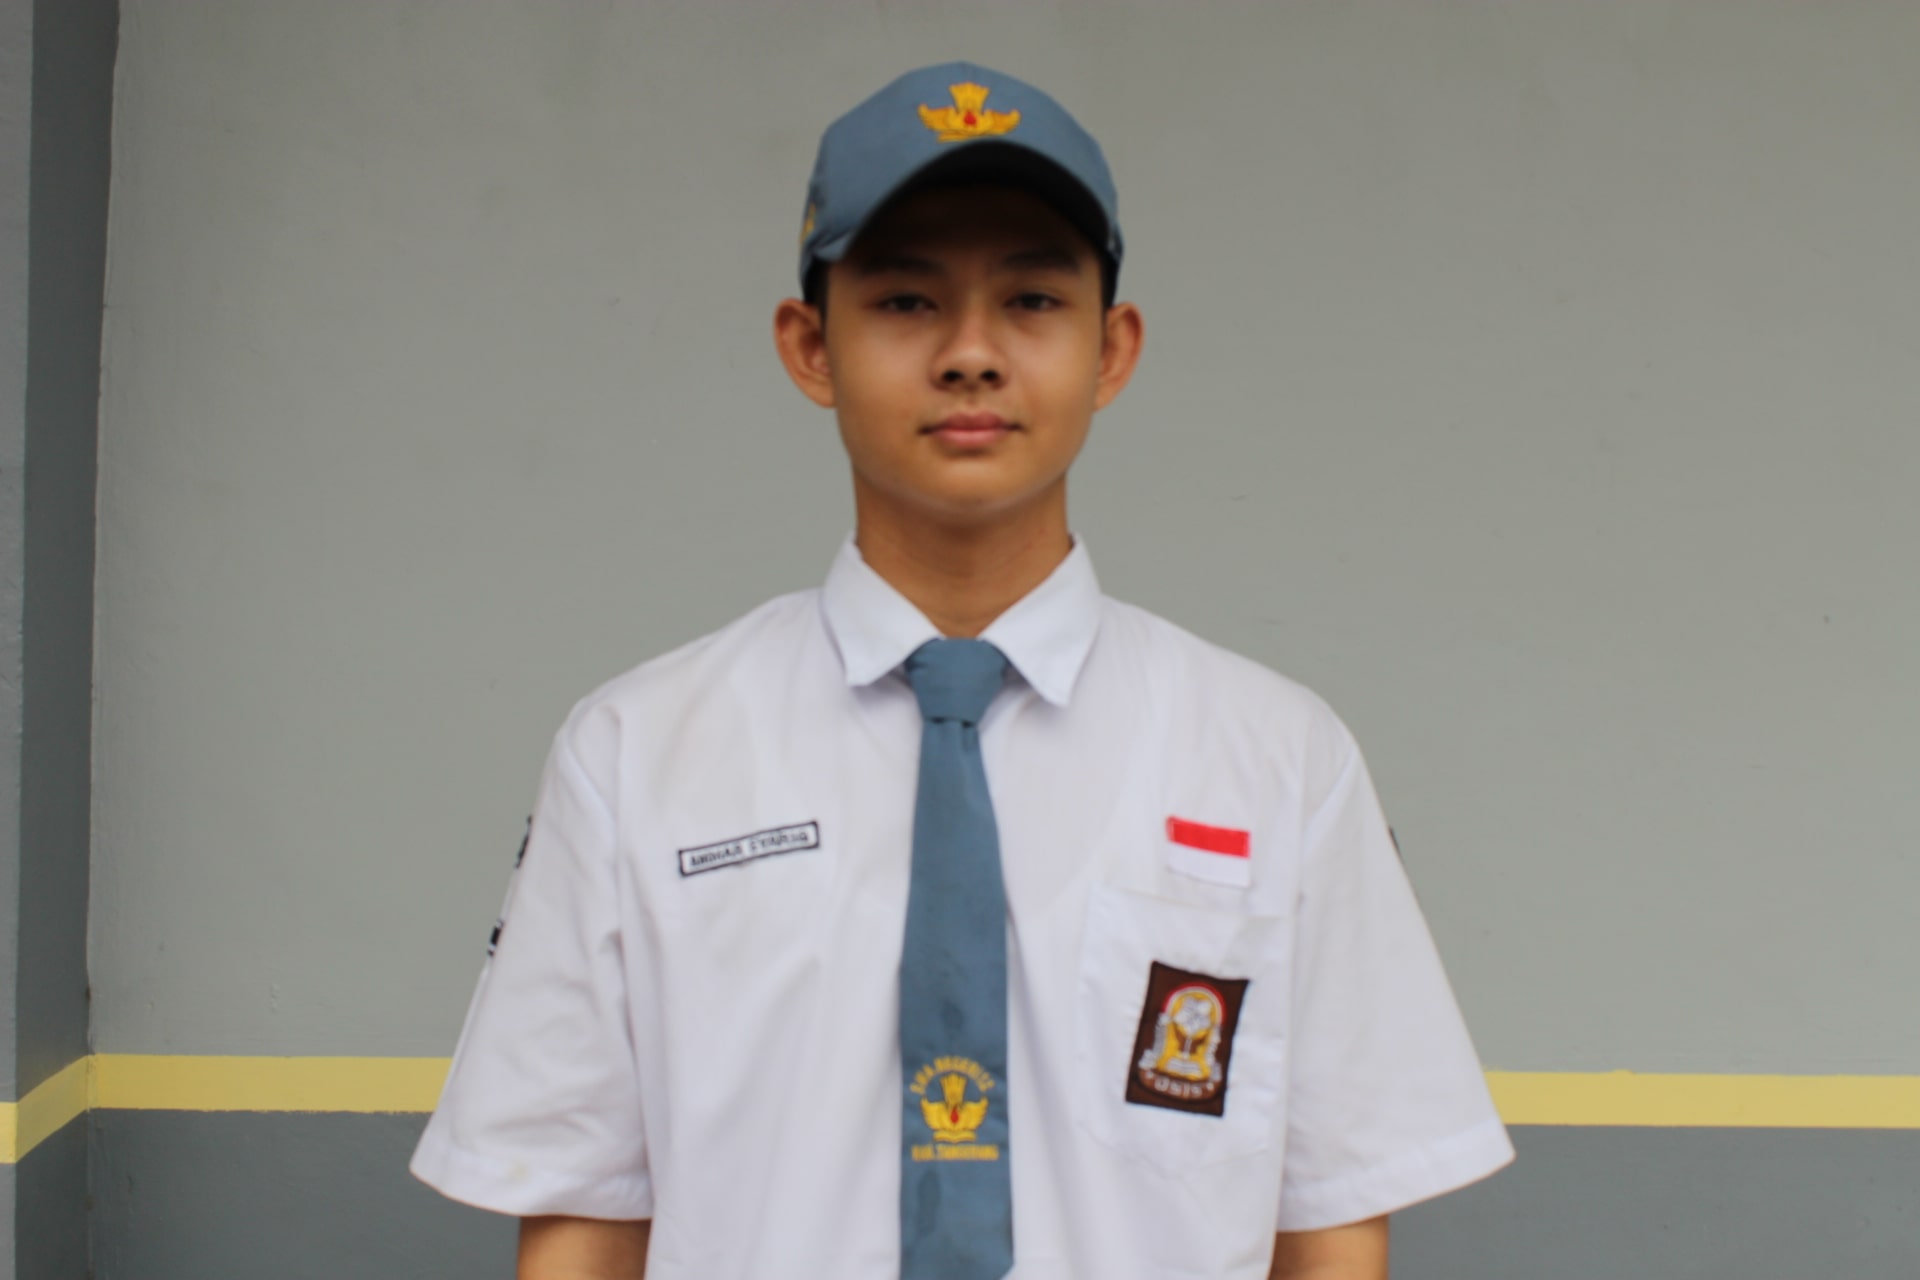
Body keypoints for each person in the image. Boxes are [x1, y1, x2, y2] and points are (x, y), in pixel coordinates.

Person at [411, 61, 1514, 1280]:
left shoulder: (1276, 758)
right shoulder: (640, 753)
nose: (972, 354)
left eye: (1033, 298)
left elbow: (1332, 1221)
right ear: (810, 347)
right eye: (904, 300)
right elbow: (583, 1214)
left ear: (1113, 350)